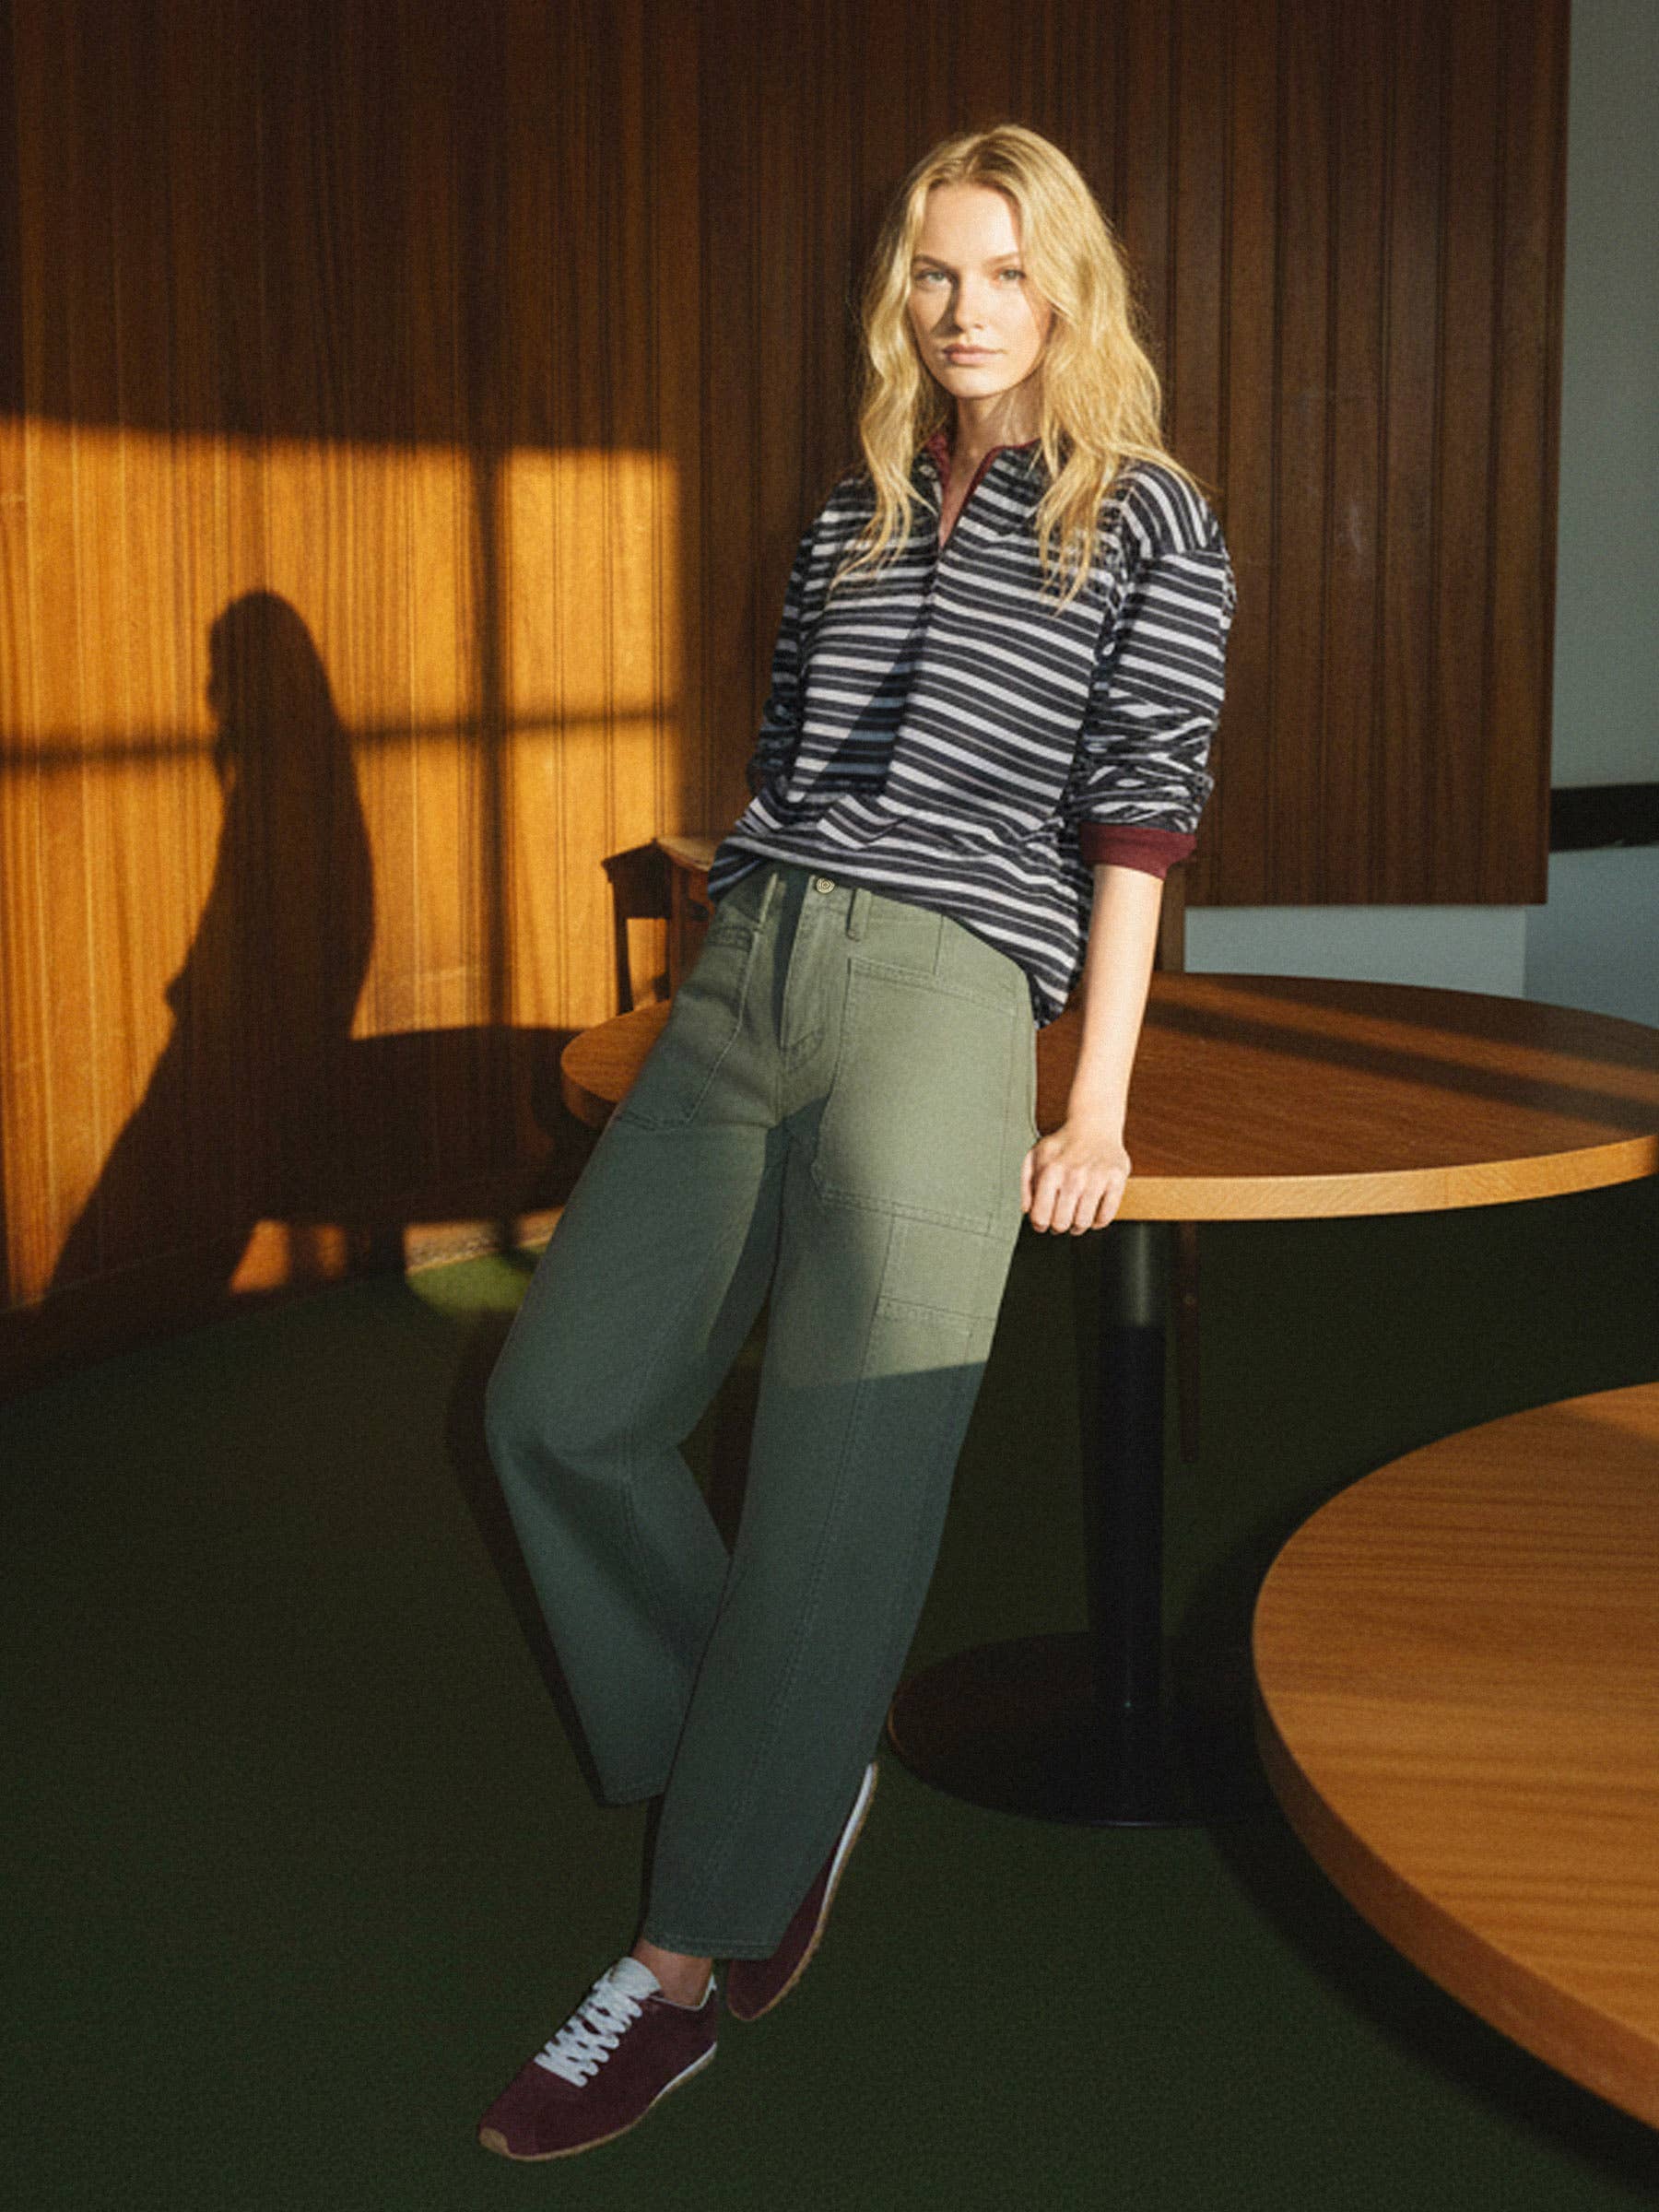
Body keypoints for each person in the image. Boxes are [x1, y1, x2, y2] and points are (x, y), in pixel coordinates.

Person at [476, 121, 1235, 2160]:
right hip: (752, 969)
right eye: (932, 275)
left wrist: (1096, 1099)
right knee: (555, 1408)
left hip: (947, 997)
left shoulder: (1148, 520)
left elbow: (1141, 829)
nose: (964, 308)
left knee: (842, 1477)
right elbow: (787, 757)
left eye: (1000, 271)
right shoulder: (853, 507)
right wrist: (710, 971)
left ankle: (694, 1954)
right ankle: (783, 1743)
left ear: (1068, 285)